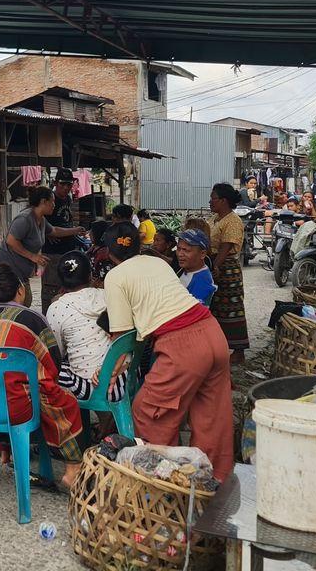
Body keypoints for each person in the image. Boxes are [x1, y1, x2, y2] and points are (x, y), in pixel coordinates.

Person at [102, 223, 234, 481]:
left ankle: (160, 486)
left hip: (182, 347)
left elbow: (122, 340)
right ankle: (214, 485)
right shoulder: (159, 264)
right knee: (212, 420)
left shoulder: (114, 277)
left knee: (148, 412)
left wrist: (107, 373)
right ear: (140, 244)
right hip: (212, 333)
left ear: (108, 252)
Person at [0, 262, 89, 489]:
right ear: (20, 290)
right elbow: (52, 365)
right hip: (17, 411)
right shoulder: (33, 319)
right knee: (59, 398)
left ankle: (1, 449)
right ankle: (72, 469)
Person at [46, 251, 126, 402]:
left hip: (91, 389)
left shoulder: (57, 308)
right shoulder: (108, 295)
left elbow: (57, 351)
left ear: (61, 282)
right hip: (122, 381)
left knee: (50, 369)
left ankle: (74, 423)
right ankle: (106, 423)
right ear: (90, 276)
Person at [0, 187, 84, 313]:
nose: (54, 205)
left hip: (21, 270)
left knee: (25, 301)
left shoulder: (41, 219)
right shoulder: (25, 219)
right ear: (43, 202)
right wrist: (33, 257)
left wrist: (75, 230)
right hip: (9, 266)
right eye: (52, 201)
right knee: (18, 302)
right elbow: (11, 240)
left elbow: (54, 231)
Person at [207, 184, 248, 363]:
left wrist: (216, 266)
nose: (210, 201)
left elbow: (227, 245)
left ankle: (238, 351)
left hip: (226, 267)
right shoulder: (214, 219)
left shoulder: (232, 220)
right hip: (213, 264)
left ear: (223, 201)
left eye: (213, 198)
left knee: (232, 309)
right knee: (215, 308)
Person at [41, 170, 87, 310]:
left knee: (67, 289)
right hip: (52, 253)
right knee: (51, 290)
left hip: (68, 251)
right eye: (63, 184)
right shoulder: (49, 199)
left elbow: (66, 221)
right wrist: (46, 231)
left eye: (69, 184)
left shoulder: (67, 199)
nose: (66, 188)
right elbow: (35, 216)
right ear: (56, 183)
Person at [176, 229, 216, 306]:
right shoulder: (187, 269)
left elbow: (193, 315)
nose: (180, 254)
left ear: (202, 254)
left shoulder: (201, 283)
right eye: (178, 249)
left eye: (186, 250)